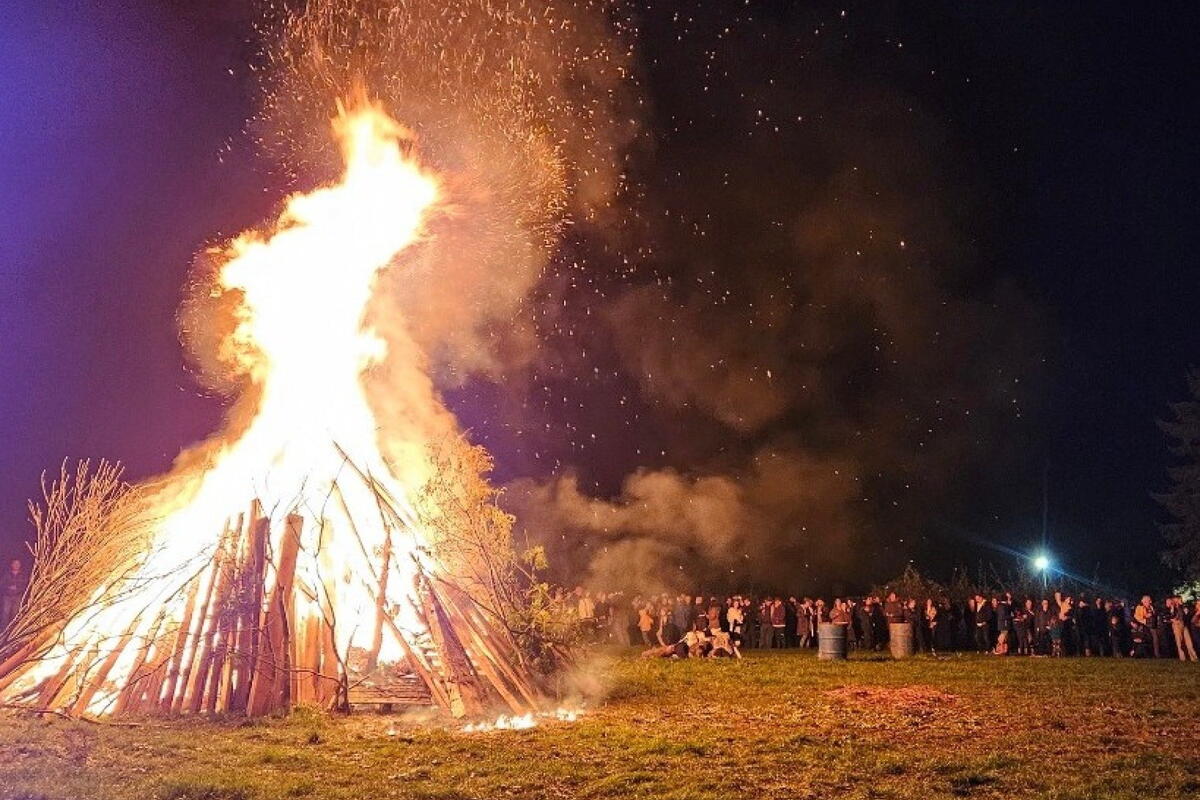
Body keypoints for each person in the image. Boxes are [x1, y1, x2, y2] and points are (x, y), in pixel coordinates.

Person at [1167, 596, 1198, 662]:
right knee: (1179, 641)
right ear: (1176, 601)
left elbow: (1187, 616)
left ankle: (1193, 657)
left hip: (1184, 625)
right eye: (1180, 599)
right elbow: (1171, 616)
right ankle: (1183, 658)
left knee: (1189, 641)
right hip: (1177, 625)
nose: (1181, 600)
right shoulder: (1173, 608)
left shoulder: (1183, 607)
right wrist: (1172, 611)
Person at [1, 558, 26, 633]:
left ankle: (13, 631)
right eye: (15, 564)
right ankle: (3, 631)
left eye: (18, 564)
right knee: (5, 613)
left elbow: (25, 585)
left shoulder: (23, 575)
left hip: (18, 596)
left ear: (20, 565)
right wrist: (9, 587)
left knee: (15, 614)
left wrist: (17, 587)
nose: (16, 565)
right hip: (7, 596)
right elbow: (2, 584)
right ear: (12, 565)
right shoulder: (6, 574)